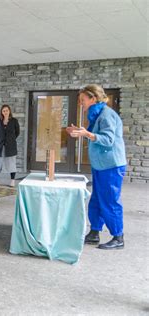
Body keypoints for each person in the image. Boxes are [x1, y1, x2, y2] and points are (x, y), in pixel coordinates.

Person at [67, 84, 127, 250]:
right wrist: (81, 132)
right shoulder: (97, 114)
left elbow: (108, 140)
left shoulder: (107, 115)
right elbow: (96, 138)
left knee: (109, 200)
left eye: (83, 100)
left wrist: (86, 133)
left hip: (112, 166)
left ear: (93, 98)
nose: (81, 104)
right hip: (101, 165)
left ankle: (118, 237)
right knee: (97, 199)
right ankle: (94, 232)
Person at [0, 104, 20, 187]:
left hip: (11, 146)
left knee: (11, 163)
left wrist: (10, 139)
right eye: (3, 111)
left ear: (9, 111)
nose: (5, 112)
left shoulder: (14, 121)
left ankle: (12, 181)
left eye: (7, 110)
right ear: (1, 112)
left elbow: (17, 132)